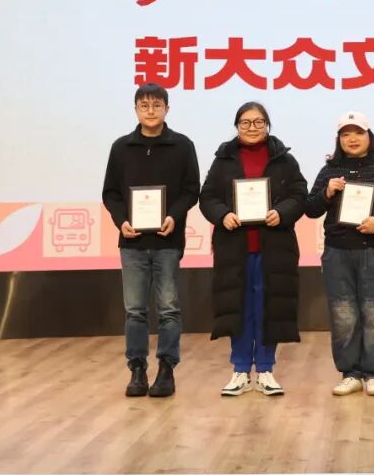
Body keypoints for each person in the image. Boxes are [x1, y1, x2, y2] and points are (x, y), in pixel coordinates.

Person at [199, 101, 307, 397]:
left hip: (275, 249)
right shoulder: (224, 159)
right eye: (245, 122)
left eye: (258, 122)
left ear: (267, 125)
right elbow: (207, 197)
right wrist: (222, 214)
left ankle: (266, 369)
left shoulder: (284, 159)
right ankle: (240, 369)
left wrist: (282, 212)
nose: (252, 127)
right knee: (239, 308)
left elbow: (300, 194)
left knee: (269, 308)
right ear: (237, 126)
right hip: (235, 250)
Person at [101, 83, 200, 398]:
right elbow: (110, 193)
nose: (151, 111)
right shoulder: (121, 147)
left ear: (167, 109)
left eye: (157, 105)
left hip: (167, 240)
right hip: (131, 242)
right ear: (135, 110)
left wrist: (173, 216)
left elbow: (192, 190)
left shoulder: (182, 145)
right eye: (144, 105)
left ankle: (167, 369)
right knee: (135, 310)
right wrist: (122, 221)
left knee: (169, 308)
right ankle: (137, 369)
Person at [305, 111, 374, 396]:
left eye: (358, 132)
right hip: (337, 252)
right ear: (339, 139)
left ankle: (373, 373)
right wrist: (326, 193)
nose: (352, 138)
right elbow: (310, 208)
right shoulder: (329, 170)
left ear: (369, 136)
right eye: (346, 134)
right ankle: (350, 373)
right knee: (343, 314)